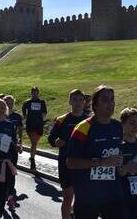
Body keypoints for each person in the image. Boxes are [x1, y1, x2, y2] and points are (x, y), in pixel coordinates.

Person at [66, 85, 126, 219]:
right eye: (105, 100)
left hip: (112, 193)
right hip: (88, 195)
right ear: (95, 105)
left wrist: (119, 160)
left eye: (112, 99)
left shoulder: (117, 126)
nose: (110, 103)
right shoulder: (83, 127)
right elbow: (70, 162)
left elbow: (117, 151)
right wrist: (101, 162)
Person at [48, 89, 89, 219]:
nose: (77, 102)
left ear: (84, 102)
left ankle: (74, 213)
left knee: (82, 198)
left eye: (80, 100)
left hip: (84, 165)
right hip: (66, 164)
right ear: (70, 101)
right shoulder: (61, 120)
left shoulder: (90, 121)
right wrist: (56, 142)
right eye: (75, 99)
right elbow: (51, 138)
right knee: (67, 197)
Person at [3, 95, 23, 210]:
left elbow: (20, 130)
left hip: (13, 148)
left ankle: (10, 194)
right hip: (1, 150)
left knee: (12, 171)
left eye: (11, 103)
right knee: (2, 171)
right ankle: (4, 192)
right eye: (6, 102)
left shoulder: (17, 117)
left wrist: (20, 142)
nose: (9, 105)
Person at [22, 87, 47, 170]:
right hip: (30, 125)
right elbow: (23, 109)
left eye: (36, 92)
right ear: (31, 93)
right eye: (33, 92)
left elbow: (44, 112)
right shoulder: (27, 102)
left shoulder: (42, 102)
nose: (35, 94)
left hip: (39, 125)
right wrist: (25, 115)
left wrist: (41, 116)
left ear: (38, 93)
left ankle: (32, 155)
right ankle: (32, 160)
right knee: (34, 143)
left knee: (35, 143)